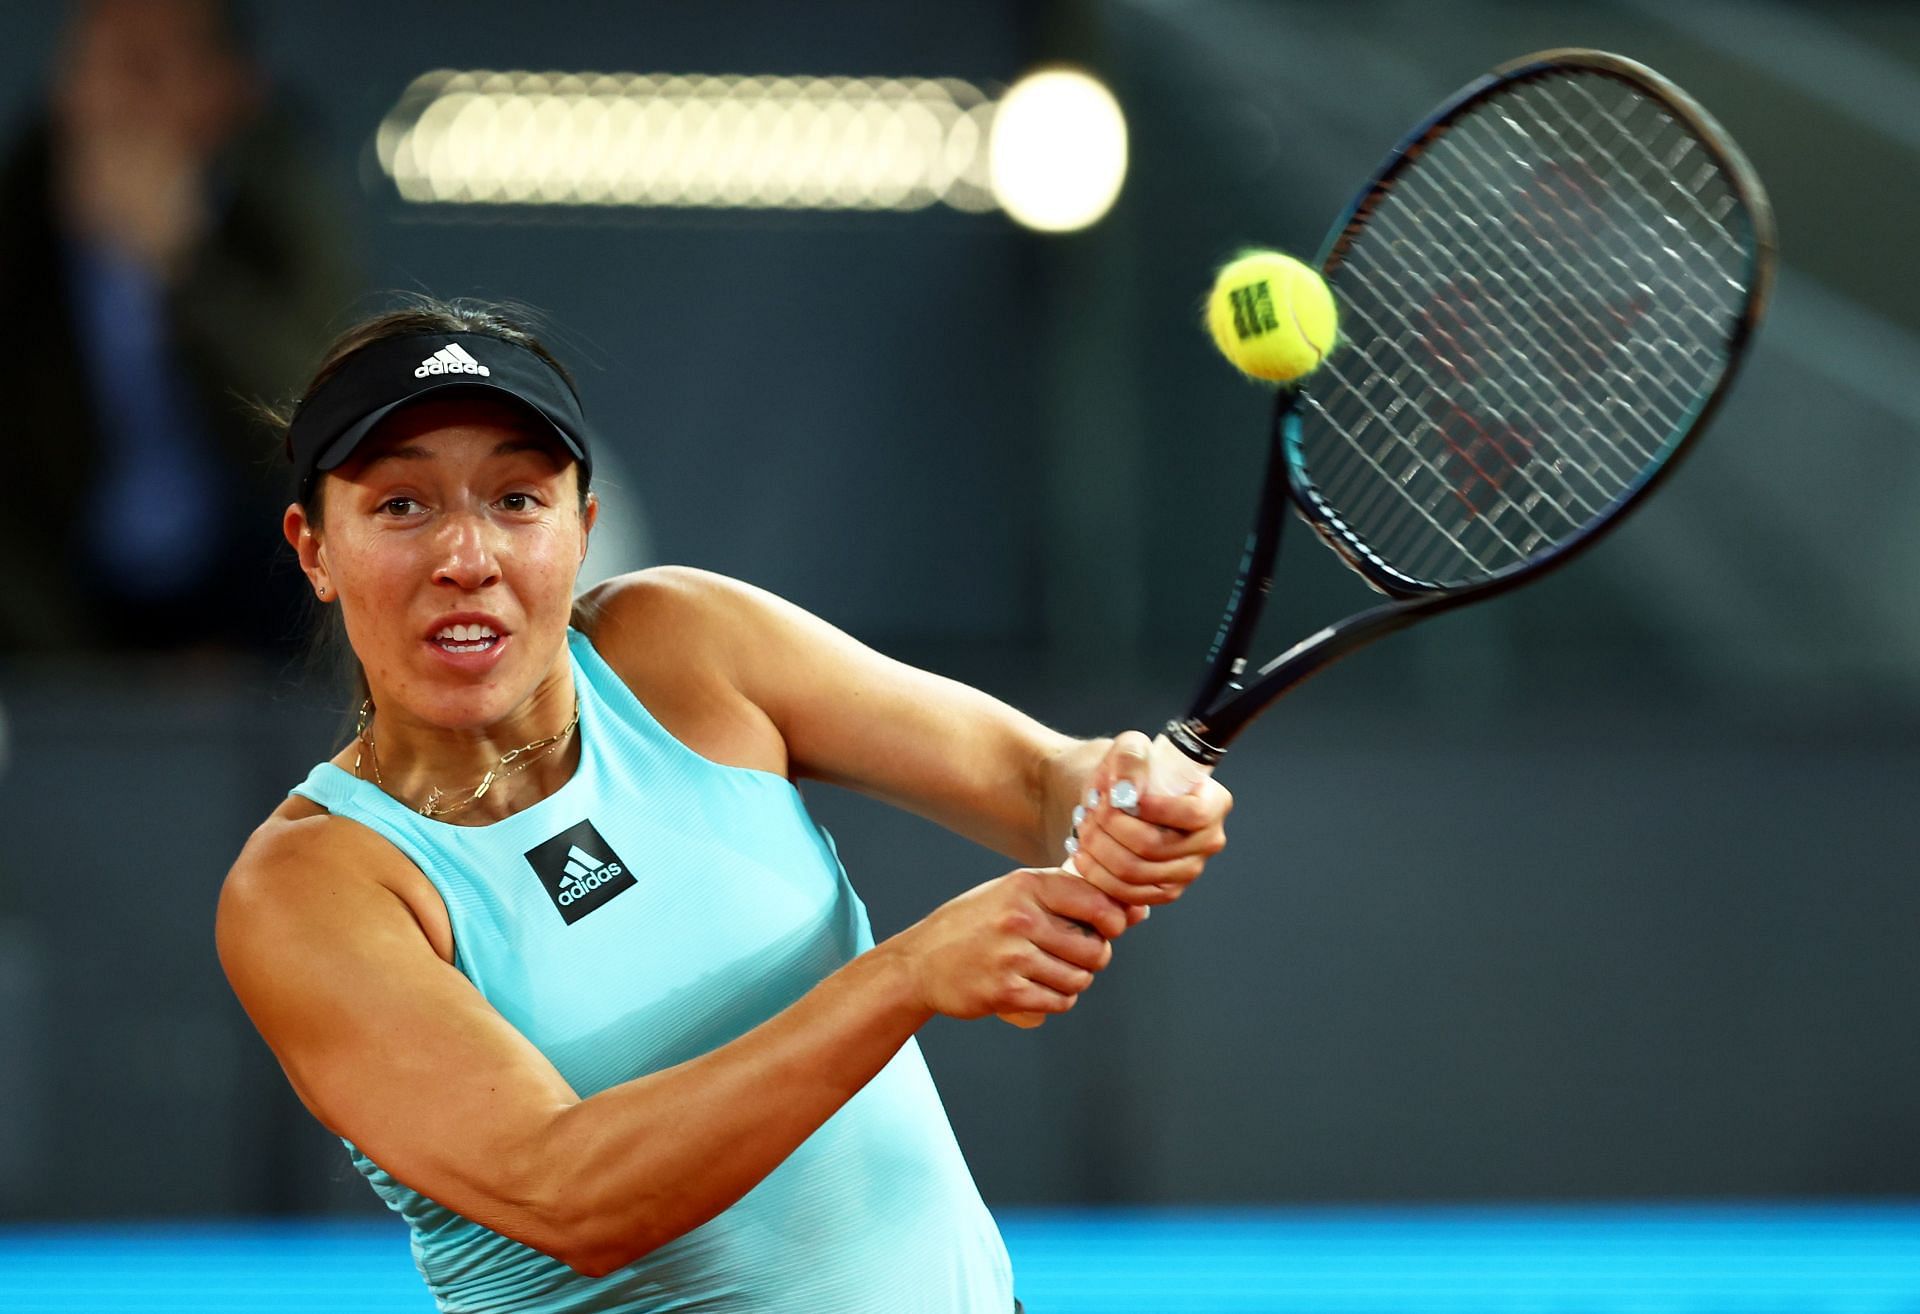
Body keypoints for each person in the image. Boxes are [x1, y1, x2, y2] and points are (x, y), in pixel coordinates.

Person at [215, 298, 1234, 1312]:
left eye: (516, 499)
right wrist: (906, 977)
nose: (467, 558)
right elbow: (572, 1196)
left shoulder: (687, 646)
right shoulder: (312, 887)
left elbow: (1036, 783)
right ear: (315, 549)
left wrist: (1117, 792)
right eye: (403, 506)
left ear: (584, 529)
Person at [0, 0, 358, 654]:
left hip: (251, 580)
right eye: (88, 66)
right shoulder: (19, 220)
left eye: (143, 71)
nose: (105, 102)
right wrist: (94, 675)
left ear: (223, 94)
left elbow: (313, 424)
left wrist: (184, 270)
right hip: (69, 604)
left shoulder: (279, 208)